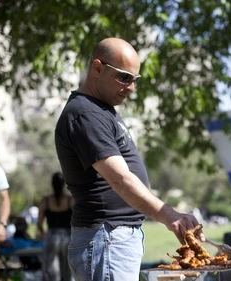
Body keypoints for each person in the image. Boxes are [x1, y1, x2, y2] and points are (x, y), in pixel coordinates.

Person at [54, 37, 204, 280]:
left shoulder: (101, 110)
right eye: (124, 77)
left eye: (135, 79)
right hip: (105, 238)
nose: (132, 87)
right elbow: (121, 179)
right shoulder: (85, 113)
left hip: (113, 238)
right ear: (98, 68)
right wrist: (170, 216)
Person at [36, 172, 74, 281]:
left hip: (52, 236)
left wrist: (43, 233)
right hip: (68, 237)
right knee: (68, 272)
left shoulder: (45, 201)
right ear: (63, 184)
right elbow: (76, 220)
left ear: (52, 184)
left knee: (52, 272)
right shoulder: (70, 200)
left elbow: (39, 223)